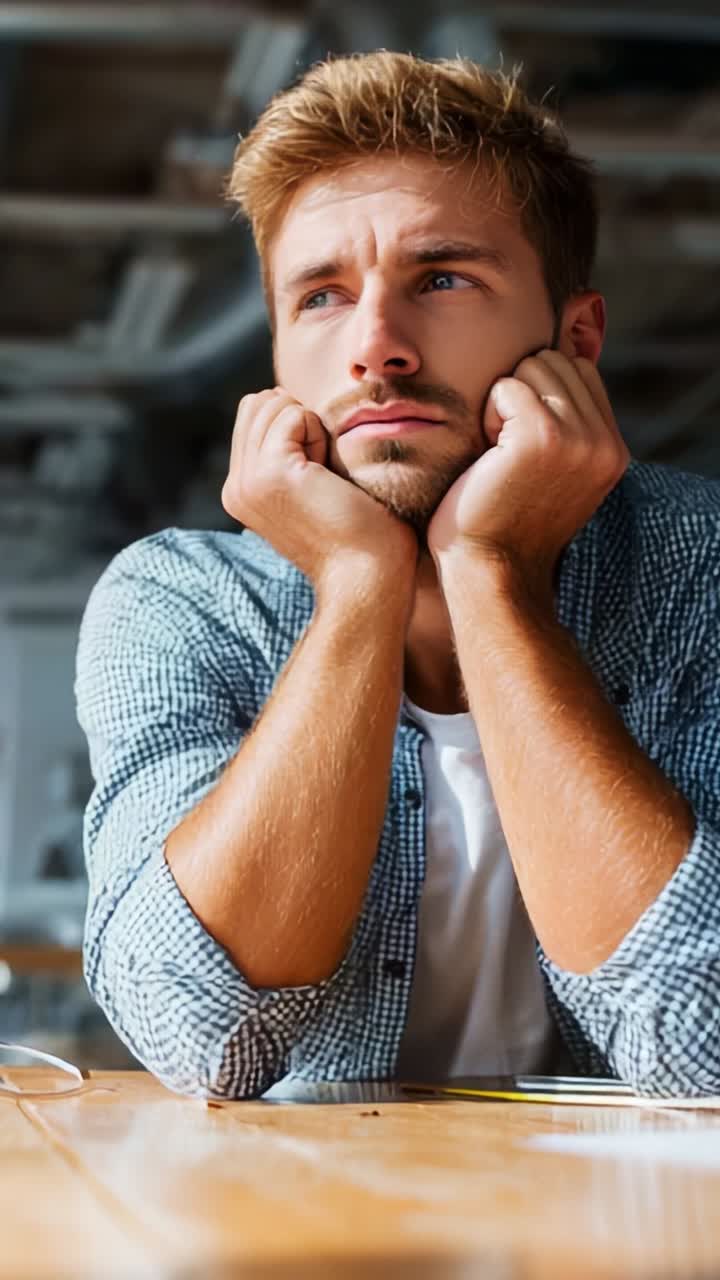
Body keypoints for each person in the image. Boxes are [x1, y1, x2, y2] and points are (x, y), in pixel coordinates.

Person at [76, 51, 720, 1100]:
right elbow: (201, 1033)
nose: (376, 347)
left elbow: (709, 1042)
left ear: (576, 337)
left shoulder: (702, 569)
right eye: (321, 297)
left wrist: (490, 571)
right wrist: (357, 588)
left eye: (444, 278)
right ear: (281, 362)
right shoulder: (180, 600)